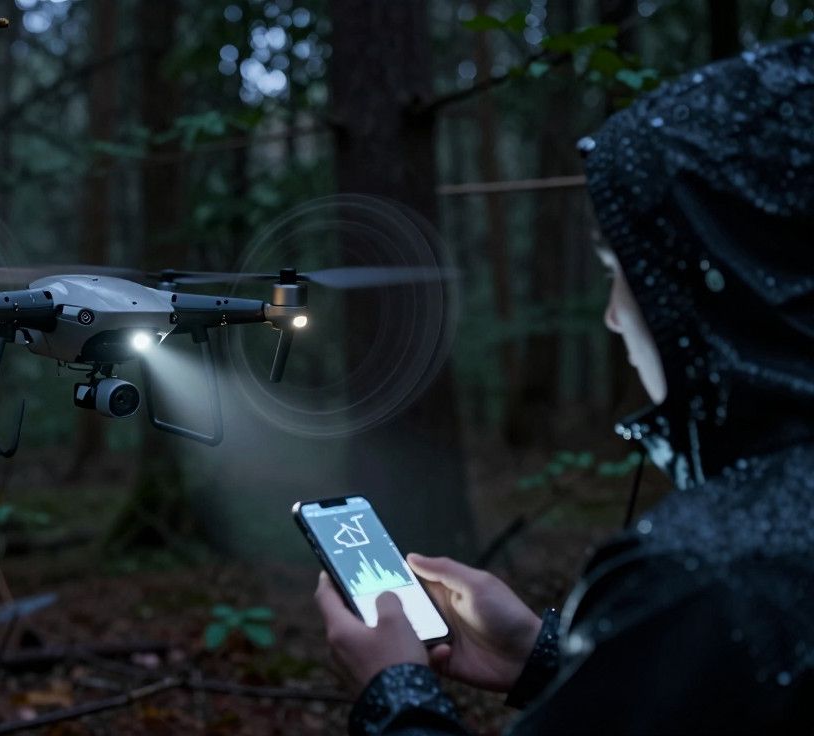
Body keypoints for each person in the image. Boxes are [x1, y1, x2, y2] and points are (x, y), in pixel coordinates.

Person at [315, 35, 814, 735]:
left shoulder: (709, 580)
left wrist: (396, 694)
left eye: (624, 268)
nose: (612, 314)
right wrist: (545, 655)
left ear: (713, 281)